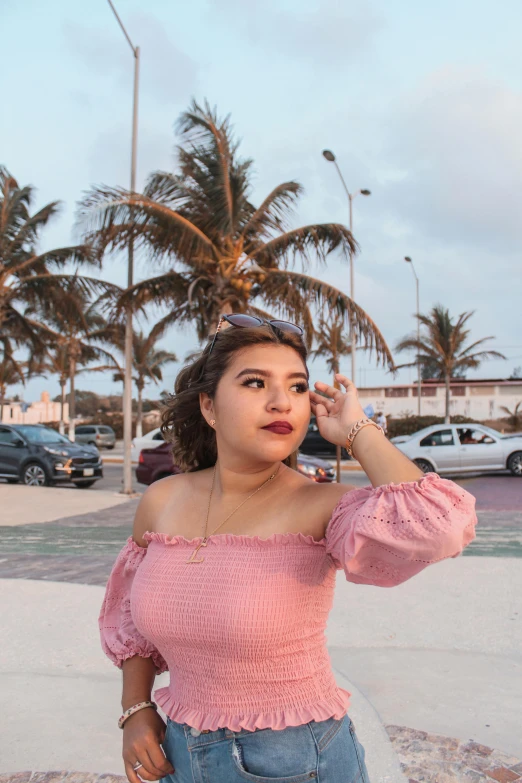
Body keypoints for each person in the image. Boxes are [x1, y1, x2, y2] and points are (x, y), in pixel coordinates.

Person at [98, 314, 478, 783]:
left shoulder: (322, 505)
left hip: (294, 758)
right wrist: (135, 708)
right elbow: (130, 620)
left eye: (298, 387)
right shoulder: (162, 500)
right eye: (255, 383)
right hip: (177, 752)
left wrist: (357, 430)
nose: (282, 402)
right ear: (209, 407)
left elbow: (441, 525)